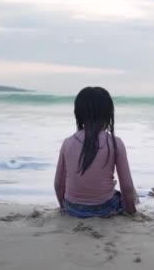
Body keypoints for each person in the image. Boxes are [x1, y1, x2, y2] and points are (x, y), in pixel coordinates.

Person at [54, 86, 137, 217]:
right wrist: (131, 212)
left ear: (79, 114)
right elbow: (127, 186)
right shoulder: (115, 143)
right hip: (105, 208)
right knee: (132, 195)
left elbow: (58, 184)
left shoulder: (67, 143)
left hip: (72, 207)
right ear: (108, 114)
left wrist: (63, 207)